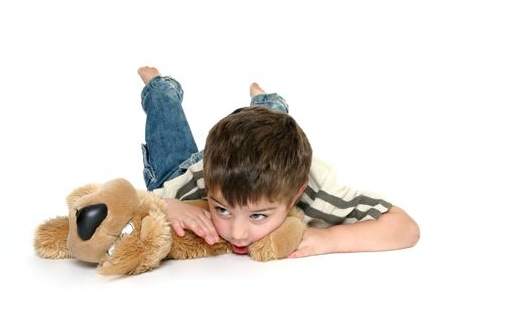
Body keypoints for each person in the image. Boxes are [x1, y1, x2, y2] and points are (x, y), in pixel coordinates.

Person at [138, 66, 420, 258]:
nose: (236, 233)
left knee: (272, 120)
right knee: (166, 122)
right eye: (222, 210)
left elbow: (406, 227)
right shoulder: (199, 181)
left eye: (258, 215)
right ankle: (159, 85)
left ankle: (265, 100)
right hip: (184, 173)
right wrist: (164, 204)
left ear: (296, 194)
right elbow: (125, 202)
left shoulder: (316, 194)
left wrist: (329, 239)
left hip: (258, 165)